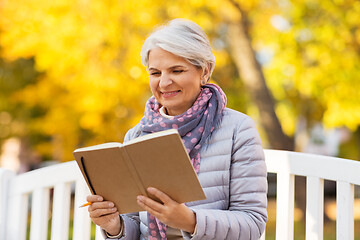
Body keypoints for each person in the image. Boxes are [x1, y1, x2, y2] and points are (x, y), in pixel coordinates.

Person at [86, 18, 268, 240]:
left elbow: (252, 224)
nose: (164, 83)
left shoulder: (238, 130)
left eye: (177, 70)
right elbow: (135, 227)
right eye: (155, 73)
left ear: (205, 71)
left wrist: (189, 221)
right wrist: (114, 226)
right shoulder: (136, 136)